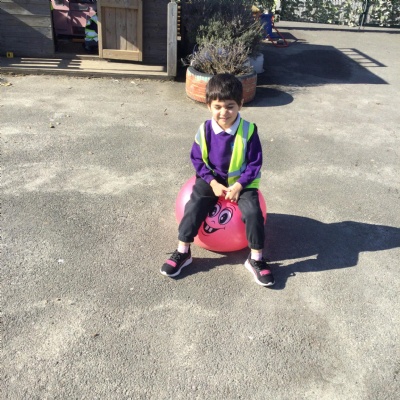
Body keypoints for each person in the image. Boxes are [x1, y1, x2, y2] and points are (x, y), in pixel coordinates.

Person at [160, 73, 275, 287]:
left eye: (230, 106)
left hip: (242, 183)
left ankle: (256, 258)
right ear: (208, 106)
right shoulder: (204, 130)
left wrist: (239, 185)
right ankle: (183, 251)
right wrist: (212, 182)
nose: (224, 112)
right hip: (211, 179)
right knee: (194, 206)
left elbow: (254, 164)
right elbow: (197, 159)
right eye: (218, 106)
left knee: (253, 212)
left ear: (240, 104)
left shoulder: (249, 131)